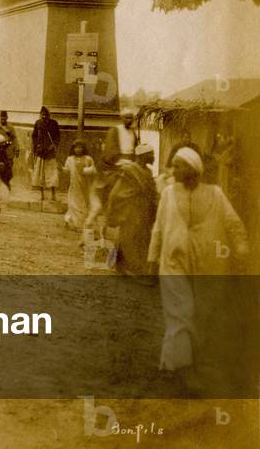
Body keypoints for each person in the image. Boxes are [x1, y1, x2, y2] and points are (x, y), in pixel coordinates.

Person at [147, 147, 249, 394]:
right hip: (173, 262)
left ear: (193, 169)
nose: (173, 170)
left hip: (207, 264)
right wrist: (152, 258)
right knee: (181, 312)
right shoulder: (168, 194)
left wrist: (241, 249)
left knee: (203, 314)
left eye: (178, 166)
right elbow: (159, 228)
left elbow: (233, 224)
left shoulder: (215, 194)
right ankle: (179, 368)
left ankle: (179, 363)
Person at [104, 143, 159, 277]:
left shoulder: (148, 171)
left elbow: (151, 190)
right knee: (128, 238)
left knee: (142, 238)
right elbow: (118, 193)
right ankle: (128, 267)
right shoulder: (129, 170)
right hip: (131, 211)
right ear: (142, 156)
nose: (153, 157)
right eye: (151, 154)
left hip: (145, 211)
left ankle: (128, 266)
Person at [30, 106, 61, 201]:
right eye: (42, 114)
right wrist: (36, 145)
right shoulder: (38, 123)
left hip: (50, 153)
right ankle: (42, 195)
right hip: (41, 153)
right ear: (40, 115)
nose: (44, 116)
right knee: (40, 175)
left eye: (46, 115)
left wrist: (53, 145)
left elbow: (57, 137)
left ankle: (53, 195)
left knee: (52, 174)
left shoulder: (53, 123)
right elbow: (34, 136)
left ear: (49, 115)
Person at [62, 139, 95, 230]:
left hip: (85, 186)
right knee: (73, 204)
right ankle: (71, 223)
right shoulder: (69, 159)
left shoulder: (88, 159)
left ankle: (83, 224)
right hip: (74, 186)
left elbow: (93, 170)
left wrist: (87, 171)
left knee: (84, 205)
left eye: (80, 147)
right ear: (73, 149)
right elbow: (67, 170)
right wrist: (61, 169)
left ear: (83, 148)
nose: (78, 149)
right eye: (76, 147)